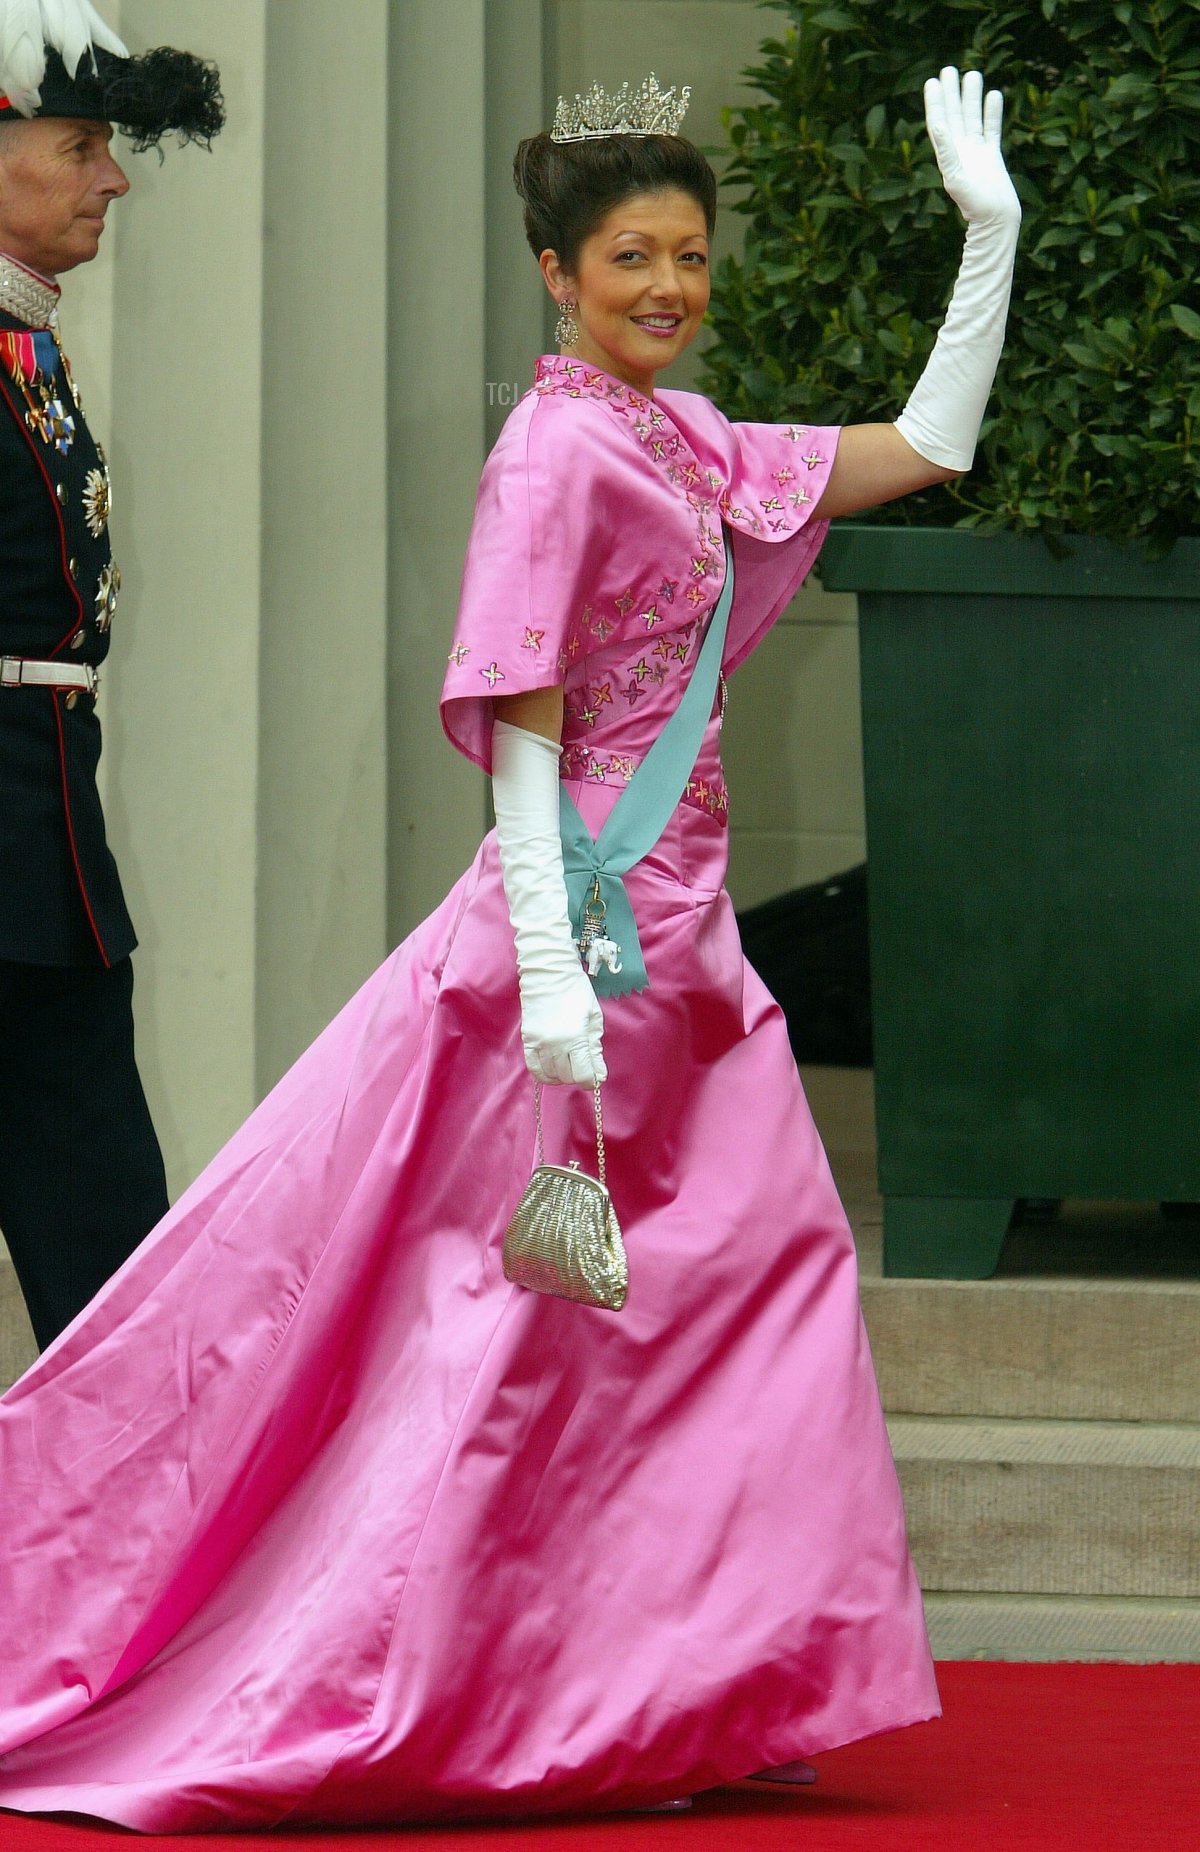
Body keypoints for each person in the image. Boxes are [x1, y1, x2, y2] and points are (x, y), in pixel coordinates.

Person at [0, 66, 1020, 1830]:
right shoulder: (550, 449)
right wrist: (554, 982)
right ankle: (464, 1684)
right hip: (584, 959)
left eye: (691, 256)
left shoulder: (681, 437)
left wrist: (990, 241)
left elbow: (919, 452)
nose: (669, 288)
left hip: (690, 962)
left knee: (744, 1316)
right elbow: (531, 754)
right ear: (558, 271)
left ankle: (694, 1673)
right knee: (508, 1344)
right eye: (633, 256)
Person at [0, 2, 224, 1349]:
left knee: (111, 1267)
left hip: (44, 863)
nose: (114, 176)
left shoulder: (28, 346)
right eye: (82, 144)